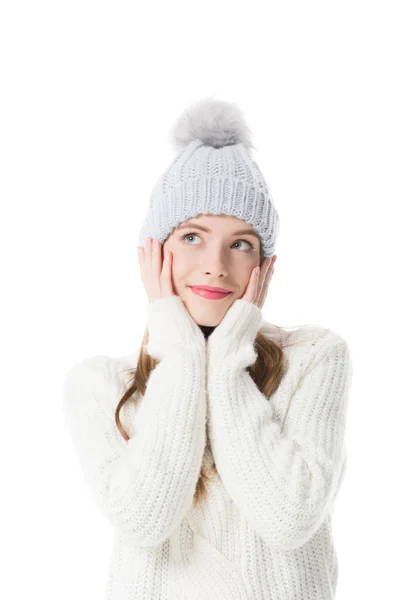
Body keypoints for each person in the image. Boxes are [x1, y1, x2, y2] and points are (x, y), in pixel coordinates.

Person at [62, 97, 353, 599]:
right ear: (153, 252)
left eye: (241, 244)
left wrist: (225, 361)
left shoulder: (315, 357)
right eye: (192, 236)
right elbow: (145, 517)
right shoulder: (98, 386)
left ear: (265, 266)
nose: (216, 263)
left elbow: (289, 517)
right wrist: (180, 352)